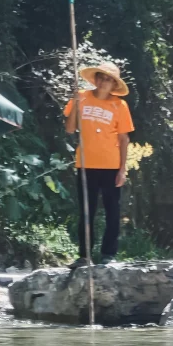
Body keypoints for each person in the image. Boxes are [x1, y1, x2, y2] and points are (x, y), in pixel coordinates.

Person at [63, 61, 134, 264]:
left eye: (109, 80)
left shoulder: (120, 105)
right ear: (95, 79)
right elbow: (70, 128)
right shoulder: (82, 97)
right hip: (86, 164)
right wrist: (75, 105)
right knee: (86, 210)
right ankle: (84, 255)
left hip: (111, 165)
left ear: (114, 84)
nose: (104, 82)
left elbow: (123, 138)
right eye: (101, 77)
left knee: (112, 211)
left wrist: (122, 169)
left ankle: (108, 254)